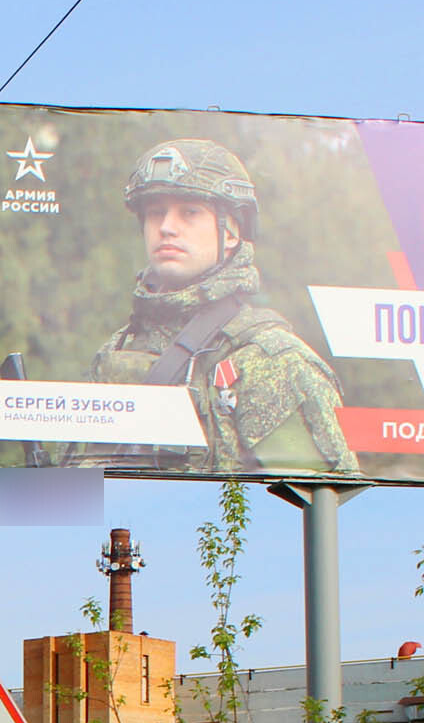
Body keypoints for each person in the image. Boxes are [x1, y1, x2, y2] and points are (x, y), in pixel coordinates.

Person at [82, 138, 358, 476]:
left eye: (190, 212)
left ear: (231, 233)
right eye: (156, 213)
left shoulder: (272, 362)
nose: (166, 227)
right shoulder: (119, 348)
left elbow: (318, 501)